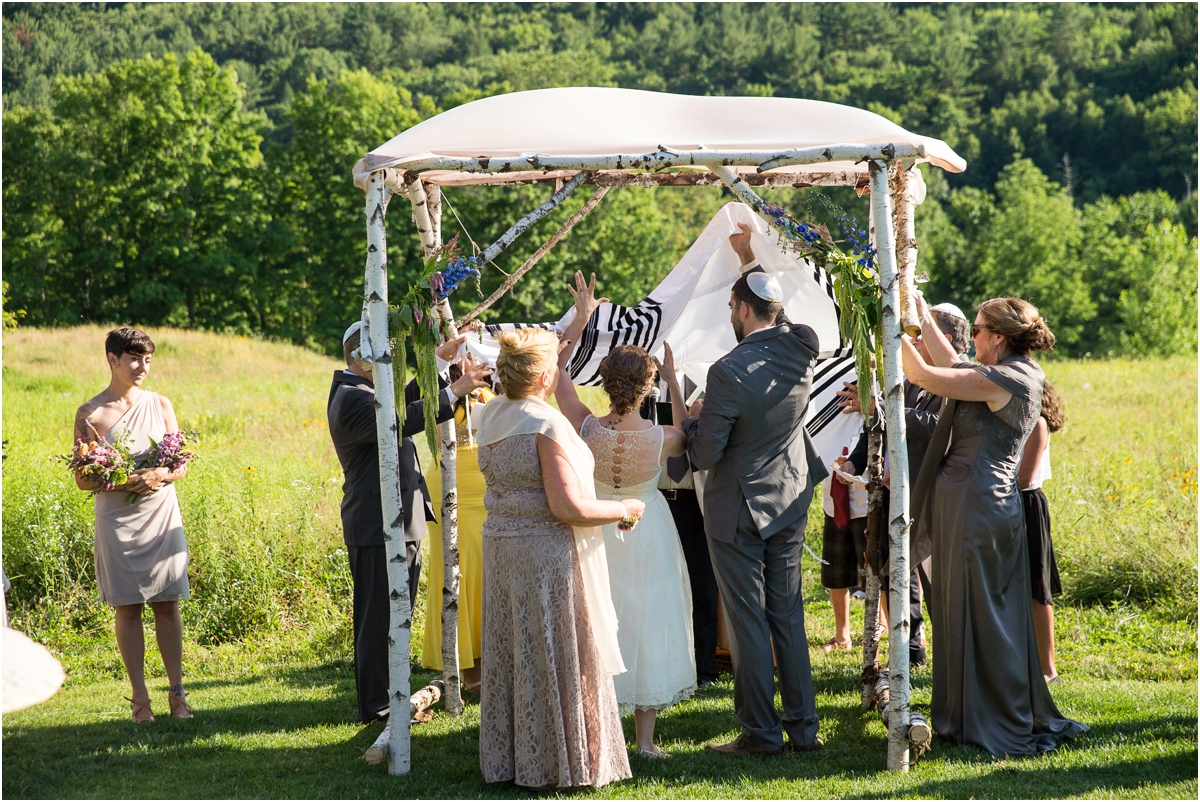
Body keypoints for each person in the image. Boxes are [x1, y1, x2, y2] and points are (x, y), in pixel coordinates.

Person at [902, 297, 1087, 756]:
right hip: (967, 502)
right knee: (960, 607)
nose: (974, 337)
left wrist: (891, 328)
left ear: (999, 337)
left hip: (978, 505)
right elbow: (949, 362)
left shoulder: (1011, 377)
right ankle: (962, 711)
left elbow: (926, 375)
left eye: (979, 329)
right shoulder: (1000, 372)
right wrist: (920, 312)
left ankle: (987, 714)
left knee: (979, 611)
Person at [682, 223, 828, 756]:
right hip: (789, 498)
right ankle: (804, 728)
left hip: (737, 509)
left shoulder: (726, 372)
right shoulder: (802, 346)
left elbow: (703, 455)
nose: (729, 318)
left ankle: (761, 734)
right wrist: (749, 264)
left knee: (747, 620)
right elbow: (780, 314)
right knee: (786, 612)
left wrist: (692, 418)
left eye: (731, 309)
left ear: (742, 312)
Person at [475, 327, 641, 790]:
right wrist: (624, 509)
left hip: (502, 547)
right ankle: (557, 765)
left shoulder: (490, 414)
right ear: (546, 375)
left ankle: (513, 759)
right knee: (554, 650)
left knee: (517, 650)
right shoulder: (543, 425)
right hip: (545, 554)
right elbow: (567, 507)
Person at [554, 272, 697, 758]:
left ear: (609, 383)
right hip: (648, 529)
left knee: (598, 620)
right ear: (647, 386)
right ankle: (644, 742)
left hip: (595, 530)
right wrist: (674, 379)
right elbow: (687, 431)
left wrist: (582, 319)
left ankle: (596, 732)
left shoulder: (587, 426)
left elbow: (558, 376)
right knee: (647, 623)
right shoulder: (663, 438)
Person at [327, 322, 490, 724]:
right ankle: (378, 708)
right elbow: (400, 421)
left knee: (395, 617)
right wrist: (456, 391)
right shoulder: (351, 398)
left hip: (397, 520)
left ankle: (392, 699)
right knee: (378, 619)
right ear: (363, 359)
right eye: (384, 356)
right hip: (377, 524)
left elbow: (401, 402)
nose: (391, 364)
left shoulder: (364, 390)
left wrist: (439, 360)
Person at [837, 301, 972, 667]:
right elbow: (887, 425)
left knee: (939, 583)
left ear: (939, 339)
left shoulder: (960, 379)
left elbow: (936, 426)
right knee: (900, 573)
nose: (910, 343)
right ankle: (911, 649)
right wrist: (858, 459)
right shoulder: (914, 378)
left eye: (917, 336)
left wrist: (882, 406)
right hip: (904, 495)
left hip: (940, 497)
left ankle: (952, 655)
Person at [73, 327, 192, 723]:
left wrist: (160, 476)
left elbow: (181, 463)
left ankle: (178, 695)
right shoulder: (90, 414)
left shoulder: (160, 404)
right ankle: (140, 700)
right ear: (112, 359)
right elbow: (83, 479)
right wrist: (126, 480)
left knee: (167, 603)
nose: (142, 367)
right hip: (117, 517)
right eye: (134, 359)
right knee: (127, 606)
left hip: (159, 513)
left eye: (148, 360)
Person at [422, 361, 496, 693]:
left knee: (480, 572)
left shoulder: (486, 393)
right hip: (458, 485)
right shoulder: (447, 395)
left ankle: (482, 663)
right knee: (462, 572)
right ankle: (468, 669)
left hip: (477, 487)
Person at [659, 375, 721, 689]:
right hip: (656, 501)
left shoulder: (708, 378)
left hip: (694, 501)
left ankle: (704, 669)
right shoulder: (634, 392)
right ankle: (666, 665)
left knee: (702, 587)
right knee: (660, 589)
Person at [1019, 379, 1064, 683]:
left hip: (1027, 505)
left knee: (1038, 589)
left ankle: (1048, 669)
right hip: (1013, 502)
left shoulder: (1037, 424)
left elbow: (1024, 479)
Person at [819, 443, 869, 653]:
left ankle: (883, 628)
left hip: (866, 503)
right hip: (834, 503)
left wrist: (854, 463)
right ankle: (842, 635)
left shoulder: (874, 411)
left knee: (877, 575)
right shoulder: (824, 411)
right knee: (835, 573)